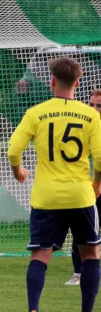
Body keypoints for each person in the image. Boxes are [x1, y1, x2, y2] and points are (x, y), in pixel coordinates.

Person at [8, 57, 101, 312]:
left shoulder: (36, 113)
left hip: (46, 198)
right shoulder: (91, 115)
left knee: (40, 257)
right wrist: (97, 182)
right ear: (78, 83)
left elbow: (14, 150)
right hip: (80, 196)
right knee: (91, 254)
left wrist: (18, 171)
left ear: (51, 82)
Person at [66, 88, 101, 286]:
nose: (94, 109)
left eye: (99, 106)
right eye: (91, 104)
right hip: (91, 186)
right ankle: (78, 274)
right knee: (82, 229)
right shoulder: (84, 127)